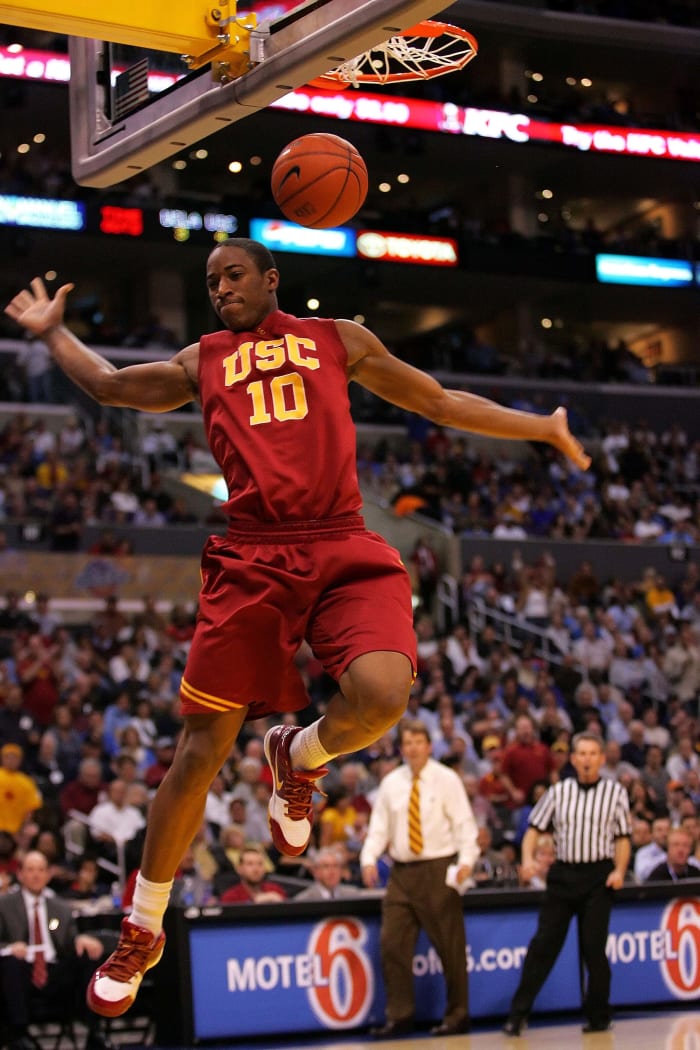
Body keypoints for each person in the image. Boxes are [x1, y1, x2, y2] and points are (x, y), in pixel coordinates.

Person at [4, 240, 590, 1019]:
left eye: (234, 275)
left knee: (384, 696)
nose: (221, 290)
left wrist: (541, 427)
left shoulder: (338, 339)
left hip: (341, 539)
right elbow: (111, 386)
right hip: (253, 557)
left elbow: (442, 403)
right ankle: (141, 929)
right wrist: (52, 334)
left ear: (272, 279)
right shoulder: (202, 358)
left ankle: (298, 752)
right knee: (201, 751)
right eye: (210, 281)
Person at [503, 732, 631, 1036]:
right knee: (543, 946)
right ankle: (517, 1015)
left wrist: (620, 870)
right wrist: (527, 858)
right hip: (563, 875)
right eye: (581, 754)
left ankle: (598, 1016)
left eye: (592, 753)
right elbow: (533, 828)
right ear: (573, 759)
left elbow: (623, 838)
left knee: (594, 950)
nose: (586, 759)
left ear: (601, 758)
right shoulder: (558, 792)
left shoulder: (615, 793)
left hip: (599, 876)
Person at [360, 719, 479, 1037]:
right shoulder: (391, 783)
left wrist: (466, 860)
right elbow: (379, 827)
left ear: (429, 745)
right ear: (401, 748)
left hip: (438, 868)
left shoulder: (447, 779)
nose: (412, 748)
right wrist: (368, 858)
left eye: (418, 741)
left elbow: (465, 826)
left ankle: (458, 1015)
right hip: (401, 872)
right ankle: (400, 1016)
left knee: (450, 948)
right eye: (407, 742)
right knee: (392, 944)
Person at [0, 851, 109, 1050]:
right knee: (11, 965)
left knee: (89, 955)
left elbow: (69, 943)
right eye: (30, 870)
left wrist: (80, 939)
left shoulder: (61, 907)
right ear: (21, 874)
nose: (36, 875)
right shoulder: (4, 905)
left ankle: (95, 1032)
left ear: (48, 875)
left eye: (41, 870)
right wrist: (9, 948)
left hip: (54, 969)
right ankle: (18, 1035)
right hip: (22, 969)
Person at [294, 846, 362, 901]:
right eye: (326, 866)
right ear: (316, 872)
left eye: (335, 866)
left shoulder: (353, 896)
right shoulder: (303, 900)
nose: (332, 871)